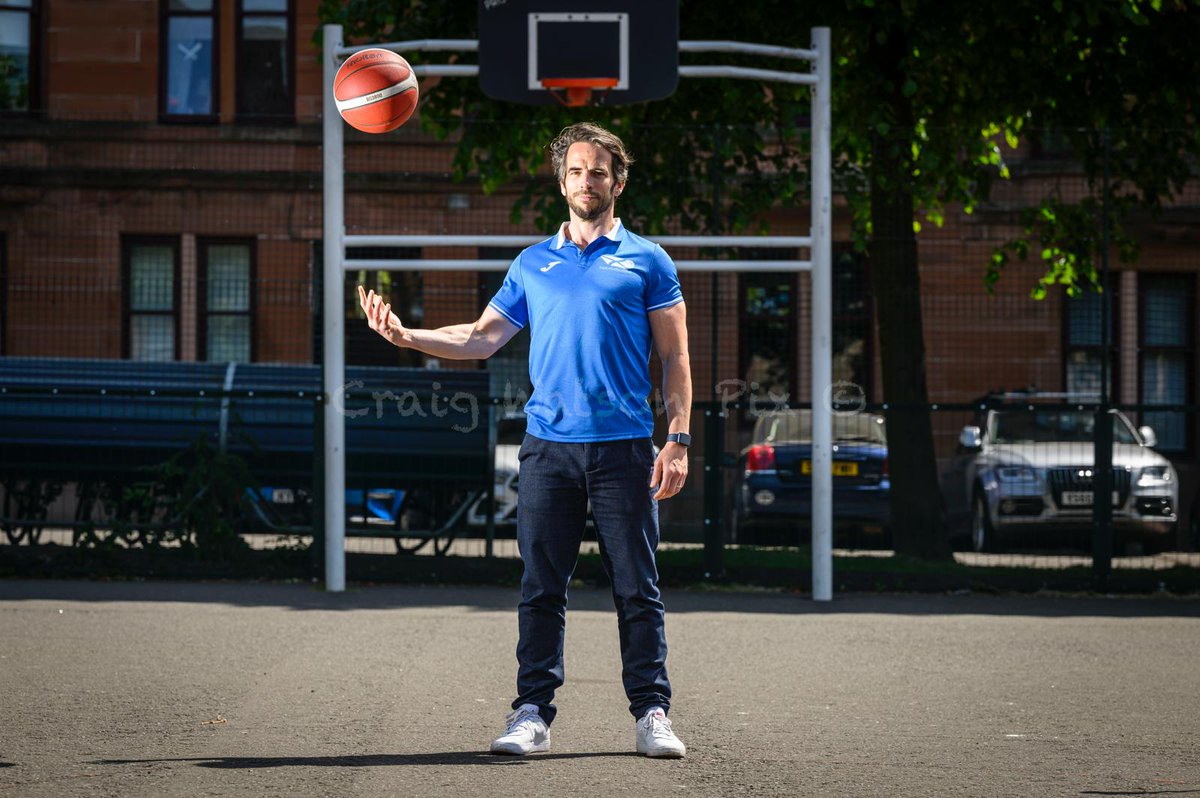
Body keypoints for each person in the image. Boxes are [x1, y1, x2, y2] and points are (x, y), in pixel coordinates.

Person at [358, 122, 691, 759]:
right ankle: (532, 712)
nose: (586, 180)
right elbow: (483, 337)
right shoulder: (533, 261)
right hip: (547, 448)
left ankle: (652, 713)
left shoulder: (648, 259)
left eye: (598, 171)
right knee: (542, 586)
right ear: (562, 180)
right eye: (575, 170)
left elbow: (675, 357)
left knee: (637, 587)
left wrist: (676, 439)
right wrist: (408, 338)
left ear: (617, 182)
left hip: (625, 448)